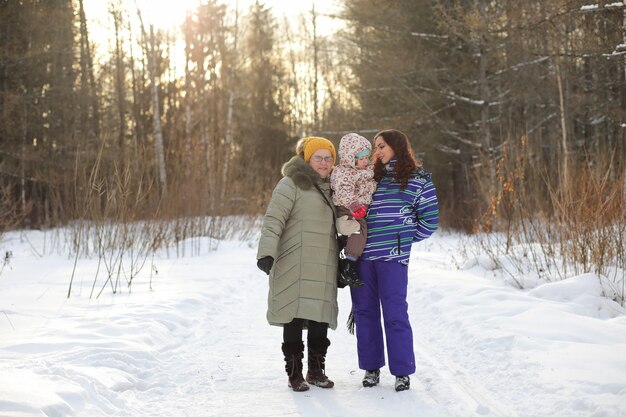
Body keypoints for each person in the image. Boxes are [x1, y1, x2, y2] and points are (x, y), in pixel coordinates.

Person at [351, 129, 439, 392]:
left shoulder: (419, 181)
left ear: (397, 146)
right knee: (364, 313)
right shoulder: (369, 178)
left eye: (382, 146)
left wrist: (402, 240)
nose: (377, 151)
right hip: (363, 257)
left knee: (395, 314)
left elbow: (430, 221)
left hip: (393, 259)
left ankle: (402, 372)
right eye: (375, 147)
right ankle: (371, 368)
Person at [256, 137, 340, 392]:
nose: (324, 163)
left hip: (324, 261)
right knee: (292, 316)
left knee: (319, 318)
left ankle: (316, 371)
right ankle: (295, 374)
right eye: (318, 157)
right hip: (294, 260)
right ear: (307, 159)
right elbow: (273, 220)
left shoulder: (336, 187)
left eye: (328, 158)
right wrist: (266, 253)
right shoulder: (290, 184)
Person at [330, 133, 377, 288]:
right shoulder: (344, 172)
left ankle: (341, 262)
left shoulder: (364, 170)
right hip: (349, 208)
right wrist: (355, 206)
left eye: (366, 157)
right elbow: (344, 192)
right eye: (361, 158)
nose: (365, 161)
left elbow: (369, 185)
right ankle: (350, 265)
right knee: (359, 230)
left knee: (353, 234)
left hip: (359, 209)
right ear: (350, 158)